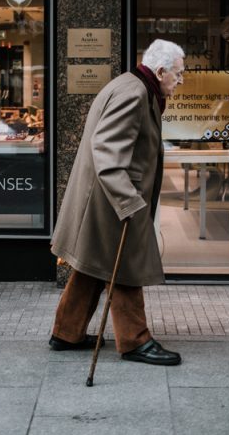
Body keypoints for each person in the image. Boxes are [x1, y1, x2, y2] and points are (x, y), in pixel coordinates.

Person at [49, 39, 186, 366]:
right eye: (178, 74)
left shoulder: (132, 85)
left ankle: (66, 331)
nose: (180, 81)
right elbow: (108, 152)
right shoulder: (135, 93)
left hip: (103, 195)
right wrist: (130, 204)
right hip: (112, 197)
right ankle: (135, 340)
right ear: (161, 70)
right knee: (124, 266)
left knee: (94, 263)